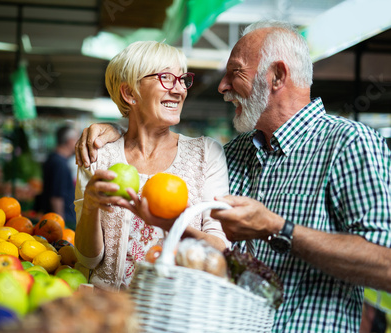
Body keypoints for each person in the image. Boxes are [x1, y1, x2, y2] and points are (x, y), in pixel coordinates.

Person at [74, 21, 391, 332]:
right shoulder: (235, 153)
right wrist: (113, 131)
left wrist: (279, 230)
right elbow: (219, 251)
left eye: (235, 72)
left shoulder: (349, 144)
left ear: (277, 76)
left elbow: (385, 265)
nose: (222, 86)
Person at [73, 41, 230, 292]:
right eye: (166, 77)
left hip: (173, 314)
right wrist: (91, 206)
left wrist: (171, 224)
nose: (179, 89)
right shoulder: (99, 154)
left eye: (182, 79)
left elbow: (220, 249)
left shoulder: (206, 154)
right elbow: (88, 259)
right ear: (129, 93)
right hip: (109, 315)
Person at [38, 125, 78, 229]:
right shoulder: (59, 163)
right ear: (69, 141)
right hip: (62, 221)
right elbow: (56, 197)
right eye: (76, 139)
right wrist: (60, 225)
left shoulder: (54, 158)